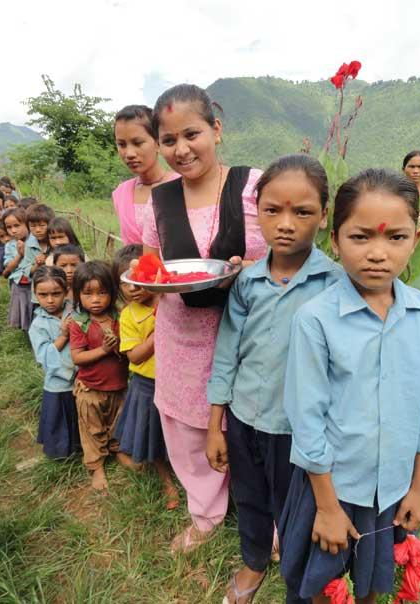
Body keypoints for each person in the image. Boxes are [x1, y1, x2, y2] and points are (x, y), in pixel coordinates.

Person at [280, 169, 420, 604]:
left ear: (417, 238)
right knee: (320, 586)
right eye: (361, 237)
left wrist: (418, 487)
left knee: (370, 585)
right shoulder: (315, 320)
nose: (378, 254)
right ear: (335, 238)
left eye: (396, 238)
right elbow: (307, 419)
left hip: (392, 489)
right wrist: (327, 508)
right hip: (331, 487)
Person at [207, 155, 342, 604]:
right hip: (245, 417)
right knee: (250, 497)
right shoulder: (247, 281)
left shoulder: (336, 285)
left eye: (302, 212)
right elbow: (228, 350)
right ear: (258, 212)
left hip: (299, 431)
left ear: (324, 216)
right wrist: (215, 423)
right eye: (272, 211)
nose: (286, 224)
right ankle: (253, 560)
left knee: (296, 507)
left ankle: (297, 570)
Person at [142, 83, 267, 553]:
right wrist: (141, 281)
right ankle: (206, 511)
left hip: (253, 334)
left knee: (257, 426)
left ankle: (267, 517)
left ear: (216, 129)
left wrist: (255, 269)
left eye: (191, 134)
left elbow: (290, 246)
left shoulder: (255, 185)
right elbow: (154, 264)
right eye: (169, 140)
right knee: (188, 429)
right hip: (183, 332)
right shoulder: (160, 200)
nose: (181, 149)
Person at [112, 245, 180, 509]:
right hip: (147, 384)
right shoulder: (128, 316)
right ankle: (166, 481)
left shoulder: (169, 302)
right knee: (152, 433)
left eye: (141, 277)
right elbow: (135, 357)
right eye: (126, 281)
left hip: (175, 381)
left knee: (174, 432)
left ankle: (184, 472)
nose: (134, 286)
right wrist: (155, 335)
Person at [69, 261, 128, 491]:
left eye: (102, 293)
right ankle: (96, 466)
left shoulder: (120, 318)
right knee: (91, 428)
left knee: (118, 421)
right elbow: (77, 357)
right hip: (90, 389)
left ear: (112, 293)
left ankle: (118, 449)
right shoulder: (79, 323)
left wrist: (118, 345)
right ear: (78, 295)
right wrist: (103, 349)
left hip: (118, 386)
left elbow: (128, 351)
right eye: (88, 293)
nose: (95, 299)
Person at [29, 266, 80, 459]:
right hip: (57, 383)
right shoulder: (38, 324)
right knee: (59, 416)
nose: (50, 300)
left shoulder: (74, 311)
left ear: (66, 291)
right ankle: (60, 452)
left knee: (80, 414)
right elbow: (44, 356)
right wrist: (64, 335)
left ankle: (81, 447)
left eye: (56, 294)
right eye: (43, 295)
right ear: (35, 294)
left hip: (81, 377)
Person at [112, 105, 178, 249]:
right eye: (121, 144)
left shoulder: (182, 186)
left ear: (157, 142)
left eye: (137, 143)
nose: (129, 153)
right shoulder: (121, 193)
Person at [2, 208, 33, 330]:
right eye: (9, 227)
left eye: (17, 225)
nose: (13, 230)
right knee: (23, 309)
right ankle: (27, 333)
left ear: (27, 224)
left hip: (34, 283)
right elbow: (8, 267)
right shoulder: (10, 245)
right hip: (19, 285)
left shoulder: (34, 241)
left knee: (34, 309)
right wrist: (19, 255)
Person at [25, 203, 55, 276]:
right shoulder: (29, 245)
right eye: (32, 226)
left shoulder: (57, 240)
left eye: (42, 225)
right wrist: (37, 264)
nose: (38, 230)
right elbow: (27, 271)